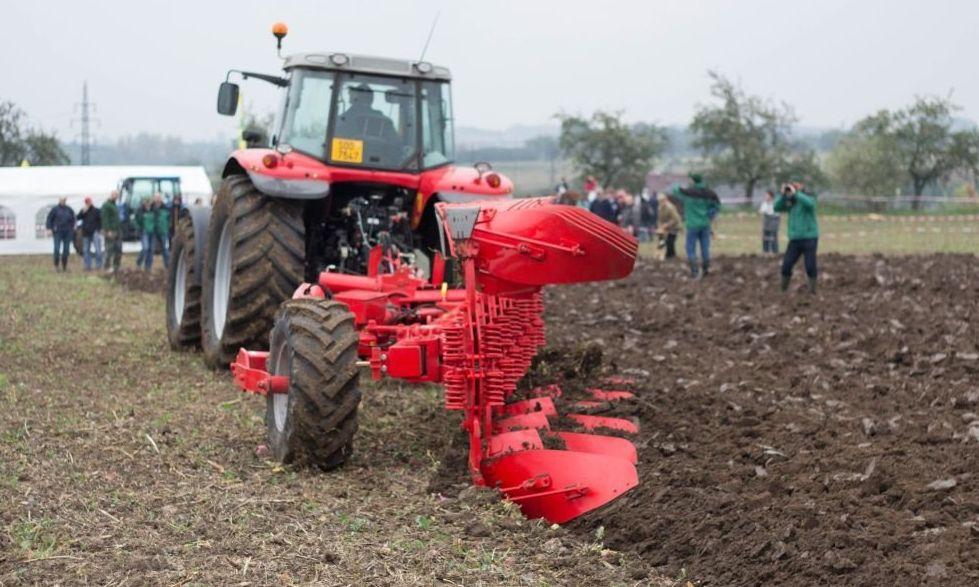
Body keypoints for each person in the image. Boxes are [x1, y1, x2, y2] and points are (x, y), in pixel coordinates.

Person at [672, 172, 720, 278]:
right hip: (705, 224)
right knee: (705, 248)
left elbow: (675, 190)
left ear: (693, 180)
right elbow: (717, 206)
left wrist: (680, 183)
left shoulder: (688, 192)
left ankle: (694, 271)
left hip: (692, 225)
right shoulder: (710, 193)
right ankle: (706, 270)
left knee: (690, 248)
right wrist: (709, 215)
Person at [775, 183, 819, 293]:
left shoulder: (806, 199)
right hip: (794, 239)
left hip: (809, 237)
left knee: (810, 266)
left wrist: (797, 194)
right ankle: (783, 290)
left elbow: (810, 204)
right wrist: (783, 195)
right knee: (786, 266)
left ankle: (812, 290)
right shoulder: (790, 202)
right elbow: (776, 207)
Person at [45, 197, 75, 272]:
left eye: (64, 199)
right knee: (57, 249)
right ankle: (56, 266)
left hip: (67, 232)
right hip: (57, 232)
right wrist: (49, 228)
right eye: (62, 199)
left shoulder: (69, 209)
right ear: (59, 200)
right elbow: (49, 219)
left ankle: (64, 267)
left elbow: (73, 219)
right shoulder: (55, 209)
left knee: (66, 250)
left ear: (66, 200)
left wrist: (72, 229)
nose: (63, 201)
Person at [142, 193, 171, 271]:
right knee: (150, 250)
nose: (158, 199)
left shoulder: (165, 207)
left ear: (161, 199)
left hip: (163, 231)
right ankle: (148, 267)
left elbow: (169, 219)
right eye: (156, 198)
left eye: (159, 198)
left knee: (165, 249)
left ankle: (168, 266)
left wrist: (167, 227)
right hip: (154, 231)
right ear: (154, 199)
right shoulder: (151, 207)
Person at [76, 197, 103, 271]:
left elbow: (100, 220)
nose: (88, 203)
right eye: (87, 202)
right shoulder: (83, 211)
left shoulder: (96, 211)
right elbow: (77, 218)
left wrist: (99, 229)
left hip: (95, 232)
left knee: (98, 249)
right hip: (86, 233)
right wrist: (82, 212)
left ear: (91, 202)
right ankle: (88, 266)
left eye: (89, 202)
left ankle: (98, 265)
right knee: (86, 250)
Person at [101, 190, 123, 273]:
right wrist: (107, 230)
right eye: (115, 195)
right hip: (111, 231)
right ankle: (107, 267)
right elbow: (104, 218)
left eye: (117, 195)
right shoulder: (106, 205)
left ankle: (117, 266)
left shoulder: (115, 205)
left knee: (118, 249)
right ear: (111, 195)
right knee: (109, 249)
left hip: (118, 230)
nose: (116, 197)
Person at [656, 192, 681, 259]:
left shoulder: (670, 208)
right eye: (660, 201)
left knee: (670, 241)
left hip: (674, 226)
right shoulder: (660, 208)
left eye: (662, 201)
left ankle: (670, 255)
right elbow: (660, 219)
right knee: (661, 240)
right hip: (665, 226)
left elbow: (675, 219)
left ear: (665, 200)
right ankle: (665, 255)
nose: (661, 203)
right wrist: (659, 226)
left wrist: (667, 225)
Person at [759, 190, 780, 254]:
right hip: (766, 224)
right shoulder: (764, 203)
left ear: (771, 196)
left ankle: (775, 252)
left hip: (773, 223)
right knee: (765, 239)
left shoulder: (775, 203)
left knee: (773, 239)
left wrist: (768, 213)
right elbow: (761, 211)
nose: (765, 196)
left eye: (767, 195)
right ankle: (765, 252)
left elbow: (776, 213)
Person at [135, 198, 152, 269]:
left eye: (149, 203)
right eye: (146, 203)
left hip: (152, 232)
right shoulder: (140, 211)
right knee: (145, 248)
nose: (147, 205)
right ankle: (139, 262)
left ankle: (147, 266)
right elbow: (137, 221)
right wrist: (139, 228)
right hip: (144, 231)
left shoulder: (153, 210)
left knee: (150, 250)